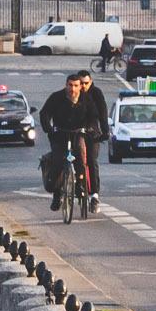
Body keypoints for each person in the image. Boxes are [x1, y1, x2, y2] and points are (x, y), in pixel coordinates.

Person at [38, 71, 111, 208]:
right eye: (70, 85)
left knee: (83, 158)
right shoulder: (57, 97)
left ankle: (83, 188)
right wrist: (49, 128)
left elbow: (95, 115)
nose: (74, 89)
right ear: (66, 85)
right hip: (60, 134)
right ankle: (57, 192)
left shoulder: (88, 98)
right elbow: (45, 113)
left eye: (77, 85)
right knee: (59, 160)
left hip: (79, 133)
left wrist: (91, 128)